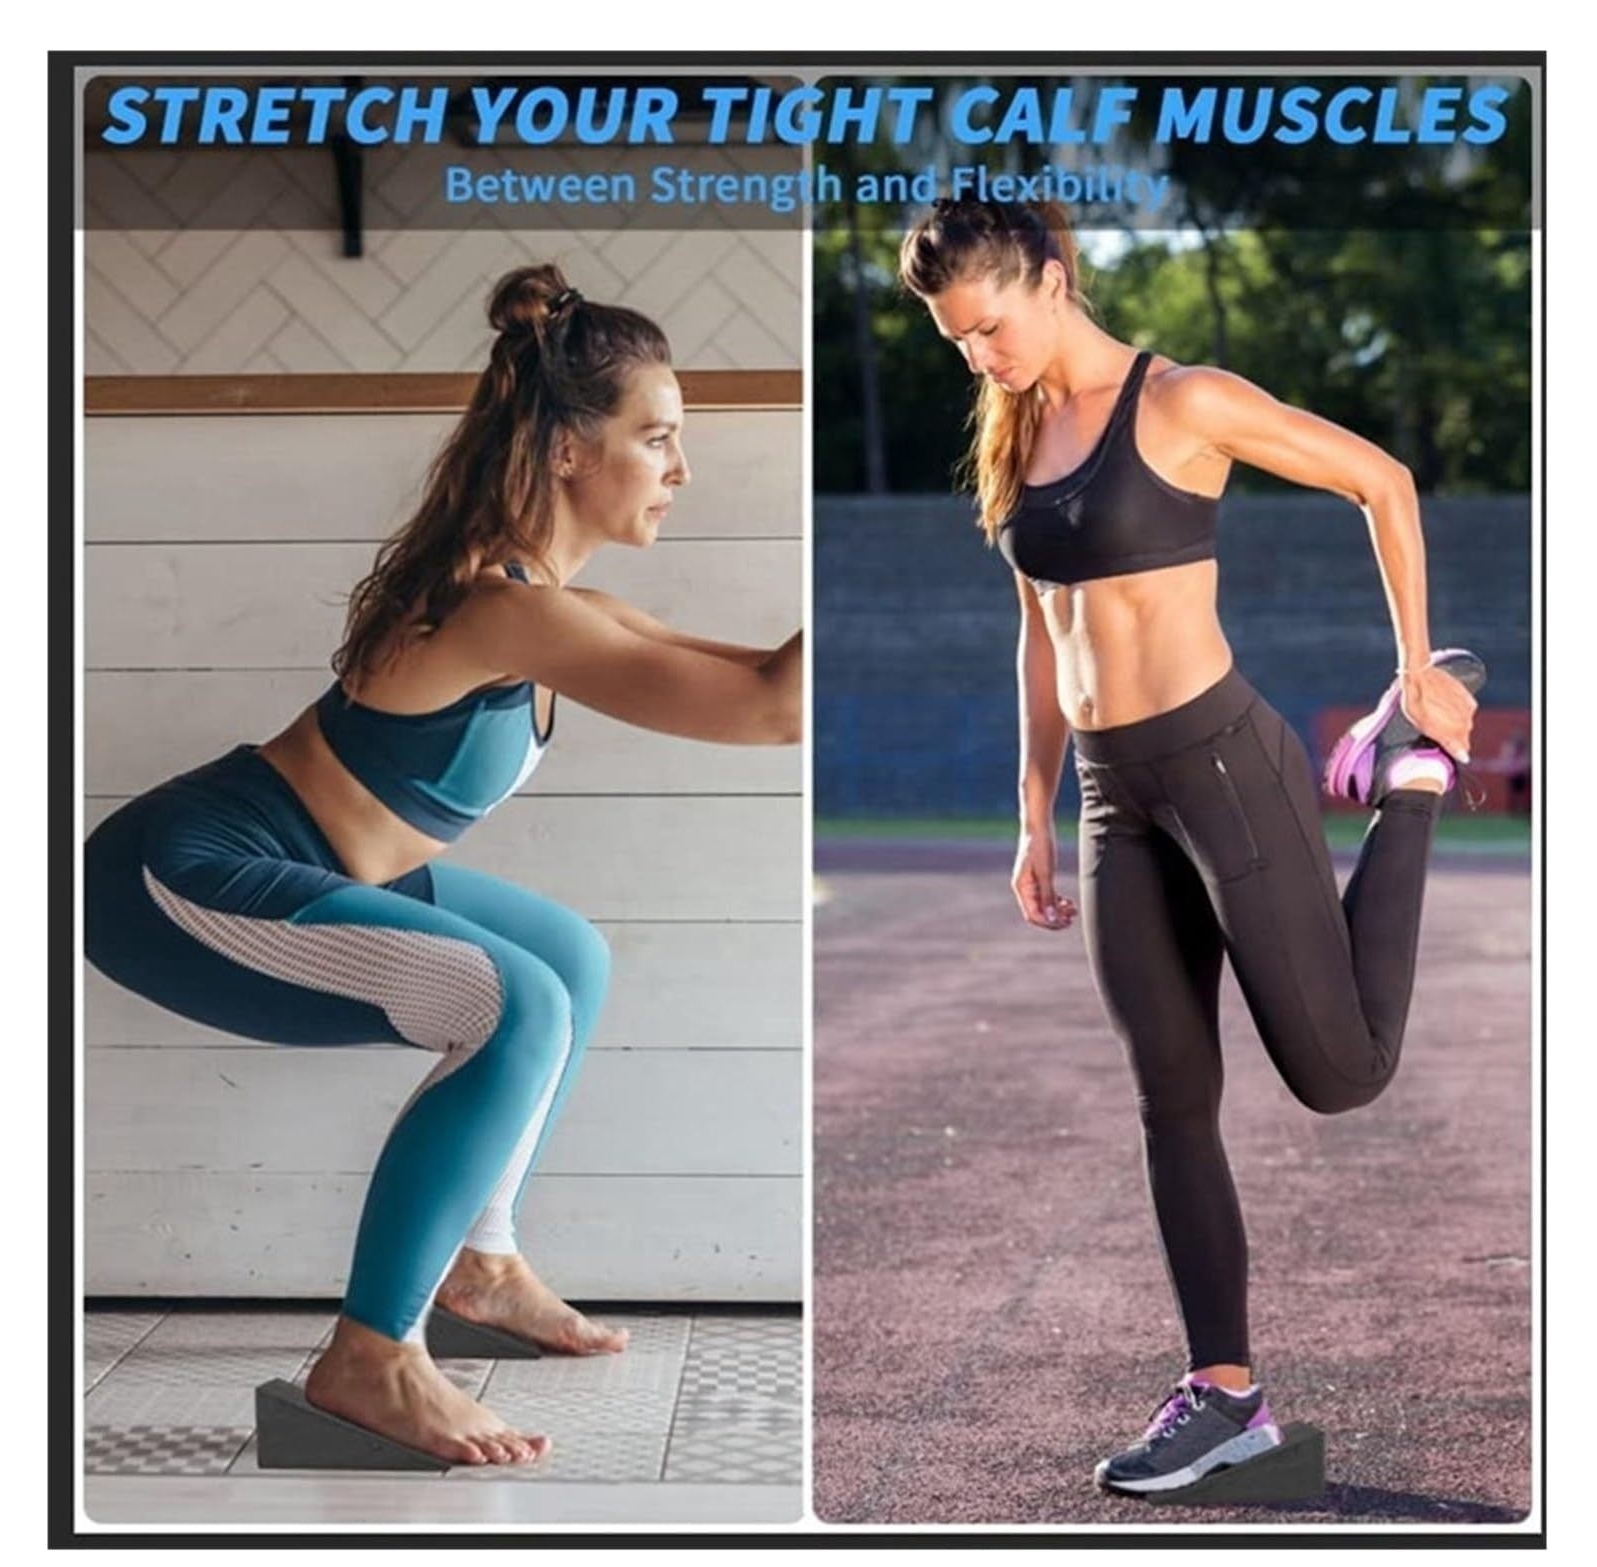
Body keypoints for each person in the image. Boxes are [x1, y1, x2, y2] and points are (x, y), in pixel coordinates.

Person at [85, 265, 804, 1468]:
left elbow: (768, 683)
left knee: (566, 958)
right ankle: (369, 1357)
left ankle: (484, 1261)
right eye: (659, 440)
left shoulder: (547, 599)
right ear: (571, 449)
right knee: (511, 1003)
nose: (681, 471)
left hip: (304, 863)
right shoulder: (500, 604)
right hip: (183, 871)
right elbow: (776, 709)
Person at [898, 198, 1482, 1497]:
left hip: (1222, 768)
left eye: (988, 328)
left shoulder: (1184, 403)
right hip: (1116, 799)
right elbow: (1040, 633)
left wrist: (1410, 669)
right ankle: (1228, 1398)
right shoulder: (1013, 431)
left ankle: (1411, 783)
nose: (978, 358)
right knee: (1172, 1096)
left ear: (1051, 283)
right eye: (954, 342)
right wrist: (1032, 806)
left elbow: (1379, 480)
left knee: (1340, 1074)